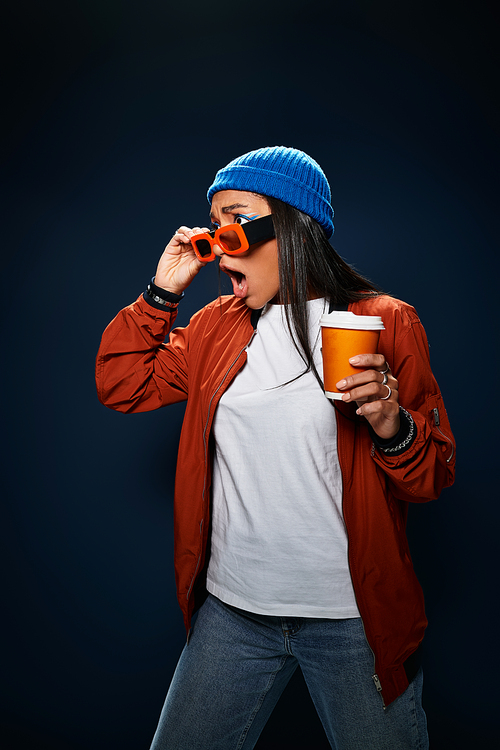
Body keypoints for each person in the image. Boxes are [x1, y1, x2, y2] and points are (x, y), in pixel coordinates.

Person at [96, 146, 455, 750]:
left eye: (232, 223)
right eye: (213, 228)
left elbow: (432, 477)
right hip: (233, 615)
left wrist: (393, 424)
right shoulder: (217, 326)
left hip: (352, 623)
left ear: (290, 227)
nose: (215, 246)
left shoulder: (386, 323)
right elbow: (122, 383)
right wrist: (162, 291)